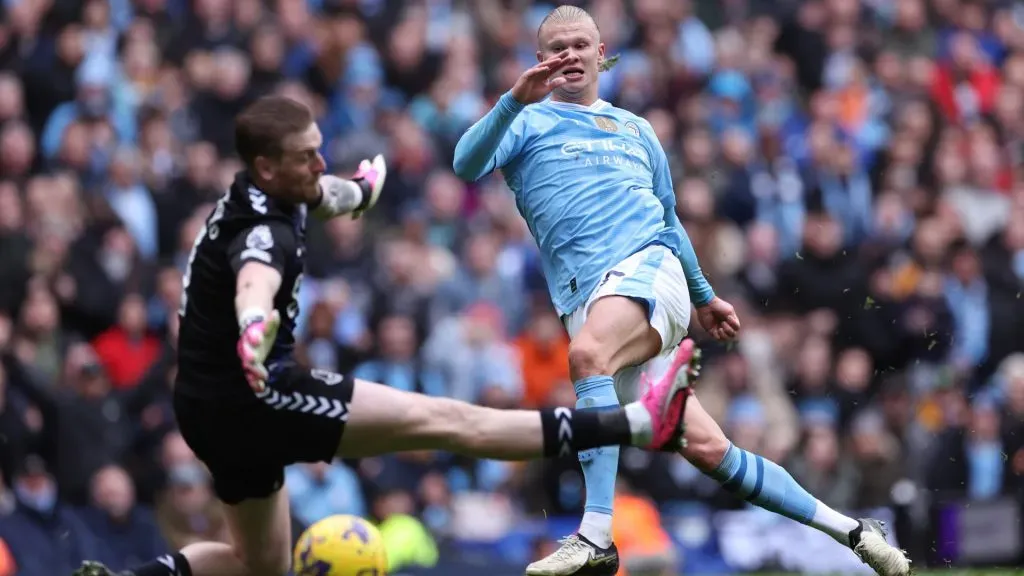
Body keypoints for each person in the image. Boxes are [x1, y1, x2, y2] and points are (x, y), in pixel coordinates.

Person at [73, 95, 699, 576]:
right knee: (454, 422)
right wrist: (255, 330)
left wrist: (363, 191)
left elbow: (328, 193)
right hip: (255, 395)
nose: (320, 163)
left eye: (320, 149)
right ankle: (639, 425)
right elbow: (254, 288)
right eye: (306, 156)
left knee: (258, 567)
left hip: (209, 405)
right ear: (268, 167)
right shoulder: (260, 235)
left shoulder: (264, 188)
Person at [451, 5, 911, 576]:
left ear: (602, 54)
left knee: (588, 356)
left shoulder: (637, 129)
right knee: (709, 450)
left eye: (581, 44)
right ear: (541, 60)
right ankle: (854, 532)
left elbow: (668, 221)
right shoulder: (523, 121)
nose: (569, 54)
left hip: (646, 272)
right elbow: (465, 163)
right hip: (591, 301)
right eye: (557, 47)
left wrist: (702, 294)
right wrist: (514, 97)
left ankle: (595, 535)